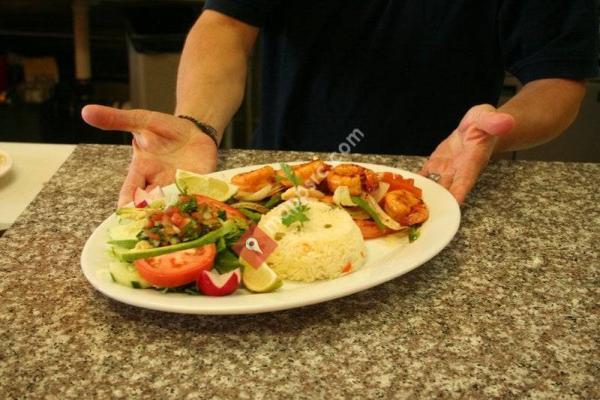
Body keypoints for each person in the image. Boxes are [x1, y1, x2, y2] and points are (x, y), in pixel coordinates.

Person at [82, 1, 598, 206]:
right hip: (282, 177)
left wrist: (498, 129)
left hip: (441, 180)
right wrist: (197, 122)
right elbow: (226, 24)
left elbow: (557, 79)